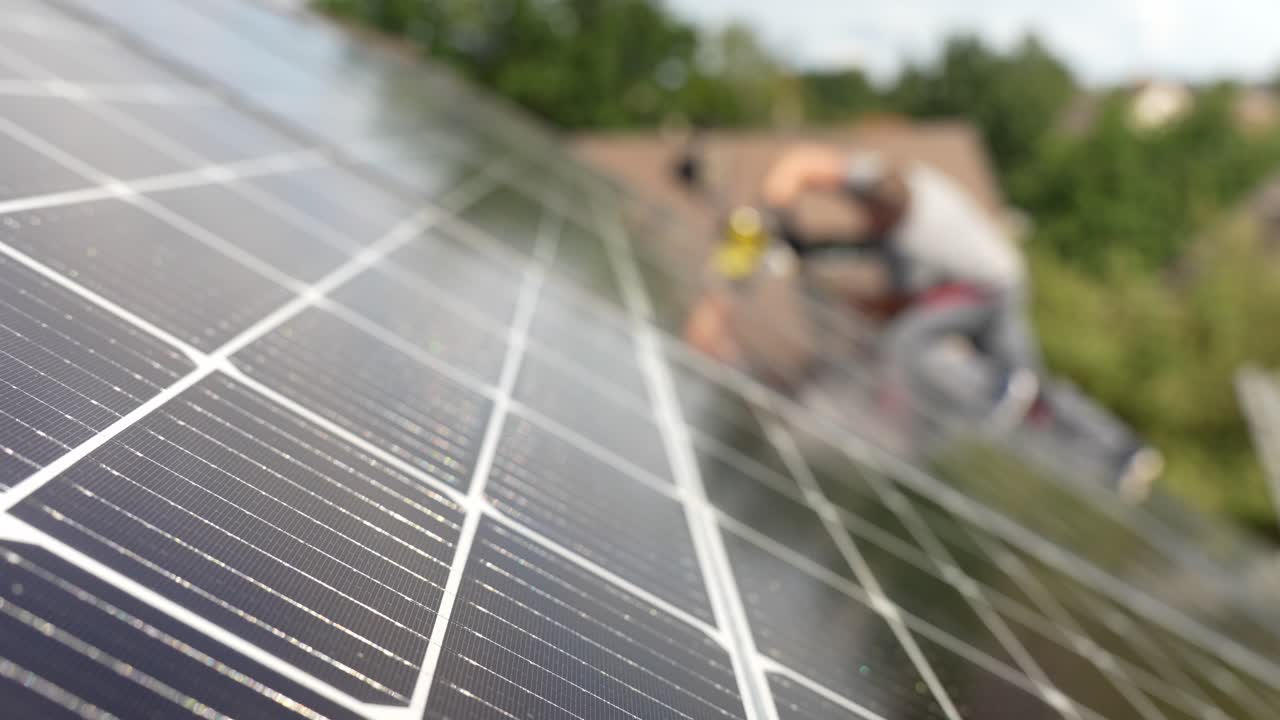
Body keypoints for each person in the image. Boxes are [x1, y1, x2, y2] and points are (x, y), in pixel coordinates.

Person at [752, 144, 1162, 498]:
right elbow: (802, 163)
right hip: (1004, 277)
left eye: (875, 223)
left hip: (987, 292)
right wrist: (778, 212)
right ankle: (1123, 451)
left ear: (888, 216)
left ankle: (977, 398)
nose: (867, 225)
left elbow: (900, 305)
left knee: (906, 343)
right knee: (1033, 386)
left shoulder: (919, 240)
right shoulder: (889, 179)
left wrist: (836, 289)